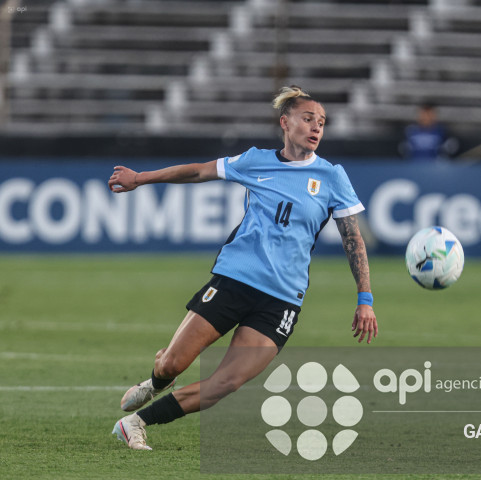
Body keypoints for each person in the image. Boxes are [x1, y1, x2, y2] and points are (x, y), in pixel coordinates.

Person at [109, 86, 378, 451]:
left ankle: (136, 423)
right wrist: (140, 178)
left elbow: (353, 240)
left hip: (282, 299)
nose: (316, 127)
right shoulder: (255, 161)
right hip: (235, 280)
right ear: (285, 123)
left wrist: (365, 298)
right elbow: (198, 172)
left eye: (322, 122)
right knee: (173, 363)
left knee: (225, 383)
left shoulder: (332, 177)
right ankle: (156, 382)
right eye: (307, 119)